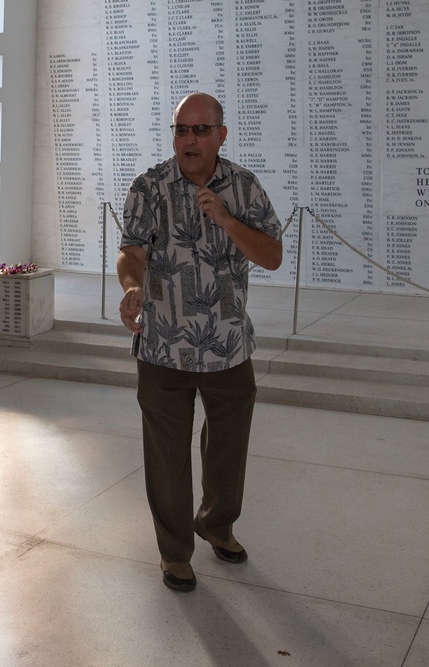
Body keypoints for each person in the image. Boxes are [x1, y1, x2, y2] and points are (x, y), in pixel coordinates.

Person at [117, 92, 282, 593]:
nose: (189, 140)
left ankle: (216, 522)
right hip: (164, 345)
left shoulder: (244, 186)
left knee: (228, 451)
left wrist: (228, 221)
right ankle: (174, 553)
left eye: (201, 130)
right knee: (166, 456)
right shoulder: (149, 186)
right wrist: (131, 287)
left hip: (229, 346)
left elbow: (272, 255)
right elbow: (131, 251)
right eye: (181, 130)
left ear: (221, 135)